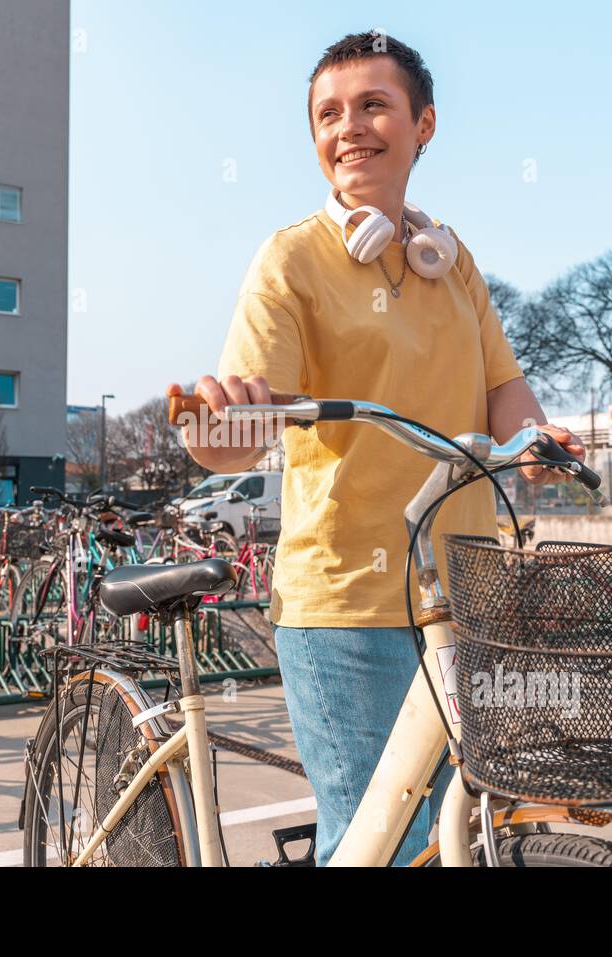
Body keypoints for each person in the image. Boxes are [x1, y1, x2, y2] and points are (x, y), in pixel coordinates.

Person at [166, 30, 585, 866]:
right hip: (346, 598)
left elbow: (504, 391)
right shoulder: (293, 258)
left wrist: (538, 440)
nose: (348, 127)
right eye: (328, 113)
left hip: (464, 587)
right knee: (377, 841)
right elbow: (237, 435)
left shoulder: (451, 264)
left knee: (465, 831)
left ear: (423, 124)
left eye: (373, 105)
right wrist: (217, 419)